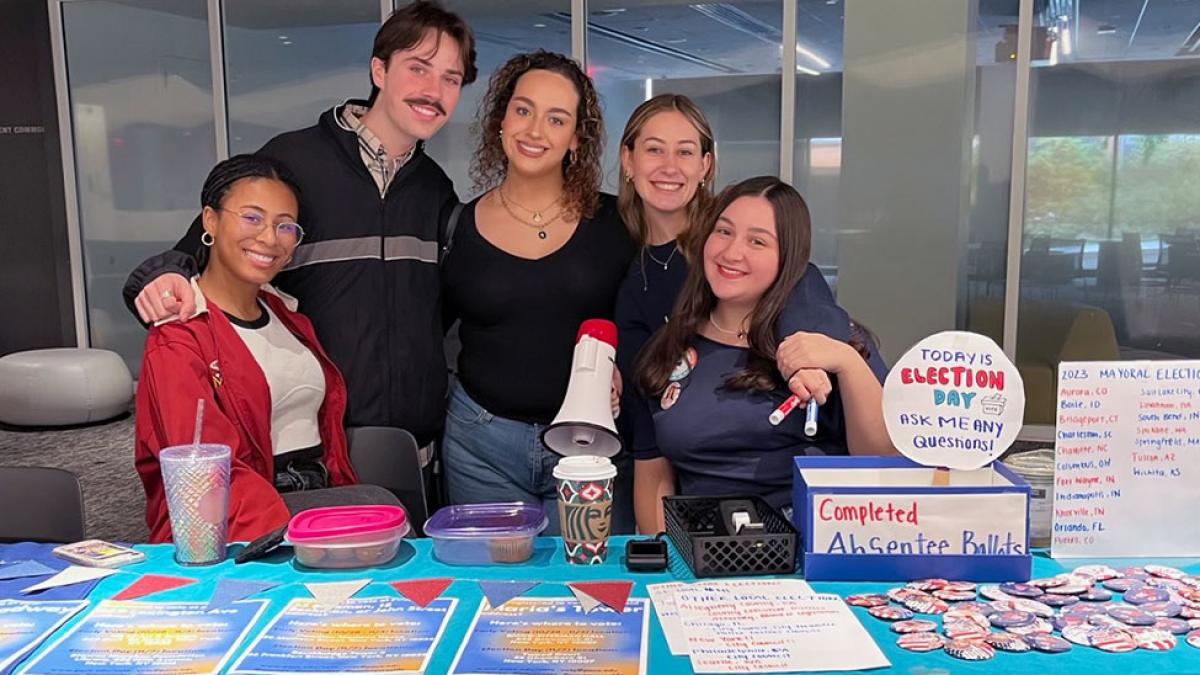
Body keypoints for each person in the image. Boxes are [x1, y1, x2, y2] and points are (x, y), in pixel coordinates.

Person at [123, 1, 477, 456]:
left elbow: (438, 311)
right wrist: (160, 276)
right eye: (418, 68)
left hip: (415, 442)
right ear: (379, 70)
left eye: (450, 78)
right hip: (313, 445)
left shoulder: (434, 189)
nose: (433, 90)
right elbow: (205, 250)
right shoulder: (294, 163)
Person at [632, 177, 897, 533]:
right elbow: (653, 477)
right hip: (703, 558)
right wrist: (663, 562)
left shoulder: (832, 342)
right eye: (723, 232)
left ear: (788, 259)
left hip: (813, 554)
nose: (731, 252)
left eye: (757, 241)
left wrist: (847, 362)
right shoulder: (669, 346)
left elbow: (883, 464)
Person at [440, 51, 635, 535]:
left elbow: (654, 316)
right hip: (480, 447)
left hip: (593, 446)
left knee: (593, 594)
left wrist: (626, 370)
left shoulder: (618, 222)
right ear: (501, 118)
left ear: (576, 138)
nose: (534, 130)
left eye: (556, 119)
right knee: (497, 596)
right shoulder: (455, 223)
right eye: (523, 110)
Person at [135, 155, 373, 544]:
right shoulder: (179, 333)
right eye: (252, 218)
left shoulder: (288, 315)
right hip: (246, 519)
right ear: (209, 221)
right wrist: (304, 533)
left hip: (316, 496)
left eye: (285, 226)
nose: (269, 237)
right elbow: (204, 478)